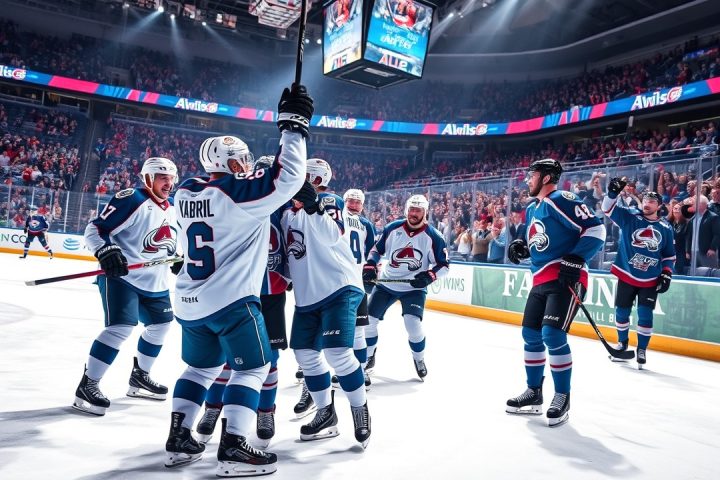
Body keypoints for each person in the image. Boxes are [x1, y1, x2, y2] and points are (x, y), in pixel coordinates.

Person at [164, 84, 312, 476]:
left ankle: (179, 439)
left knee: (200, 370)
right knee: (253, 369)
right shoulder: (237, 193)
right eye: (239, 160)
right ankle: (233, 447)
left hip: (190, 302)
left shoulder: (186, 191)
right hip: (231, 302)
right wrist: (293, 127)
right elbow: (287, 178)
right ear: (224, 163)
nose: (245, 165)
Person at [191, 155, 293, 450]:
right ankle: (213, 406)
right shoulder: (234, 200)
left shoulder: (287, 209)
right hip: (234, 290)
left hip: (270, 292)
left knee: (270, 357)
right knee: (224, 356)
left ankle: (265, 410)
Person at [73, 157, 179, 416]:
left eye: (171, 178)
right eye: (162, 178)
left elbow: (170, 241)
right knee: (121, 327)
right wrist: (105, 250)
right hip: (123, 278)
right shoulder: (132, 199)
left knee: (161, 326)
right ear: (148, 179)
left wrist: (178, 258)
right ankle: (88, 385)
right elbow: (95, 229)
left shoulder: (173, 207)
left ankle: (140, 377)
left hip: (155, 282)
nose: (168, 183)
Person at [505, 159, 605, 427]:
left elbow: (596, 229)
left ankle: (562, 396)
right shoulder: (533, 208)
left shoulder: (561, 199)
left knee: (553, 334)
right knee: (531, 335)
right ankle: (534, 392)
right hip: (539, 279)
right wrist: (522, 246)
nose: (528, 180)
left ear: (547, 178)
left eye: (533, 175)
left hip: (565, 279)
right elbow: (540, 240)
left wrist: (577, 257)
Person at [283, 158, 371, 449]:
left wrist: (313, 206)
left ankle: (359, 408)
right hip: (307, 296)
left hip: (338, 287)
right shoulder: (286, 213)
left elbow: (332, 234)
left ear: (315, 180)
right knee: (305, 354)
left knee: (338, 353)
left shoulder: (328, 200)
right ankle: (325, 413)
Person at [362, 194, 450, 381]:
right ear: (406, 210)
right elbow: (377, 249)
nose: (414, 213)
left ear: (425, 212)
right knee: (369, 321)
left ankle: (419, 358)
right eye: (411, 209)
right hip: (386, 284)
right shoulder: (393, 228)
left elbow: (443, 265)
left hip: (413, 288)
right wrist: (370, 264)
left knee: (413, 324)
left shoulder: (434, 236)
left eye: (418, 210)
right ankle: (368, 357)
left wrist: (429, 276)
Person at [601, 181, 675, 368]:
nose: (647, 203)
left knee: (645, 314)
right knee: (622, 311)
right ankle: (622, 344)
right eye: (646, 200)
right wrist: (612, 194)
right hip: (627, 273)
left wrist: (667, 273)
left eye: (652, 201)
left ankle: (641, 349)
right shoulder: (630, 217)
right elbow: (607, 209)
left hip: (651, 278)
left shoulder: (666, 228)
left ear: (659, 206)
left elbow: (669, 256)